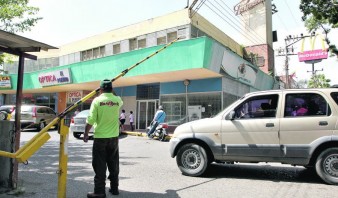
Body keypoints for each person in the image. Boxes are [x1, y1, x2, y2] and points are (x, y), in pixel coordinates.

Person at [84, 79, 123, 198]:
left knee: (99, 165)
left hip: (100, 137)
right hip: (114, 138)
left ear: (101, 89)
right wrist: (111, 92)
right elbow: (116, 97)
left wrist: (86, 133)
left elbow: (90, 120)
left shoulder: (97, 100)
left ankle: (100, 192)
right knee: (113, 163)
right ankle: (114, 188)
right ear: (111, 89)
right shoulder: (117, 100)